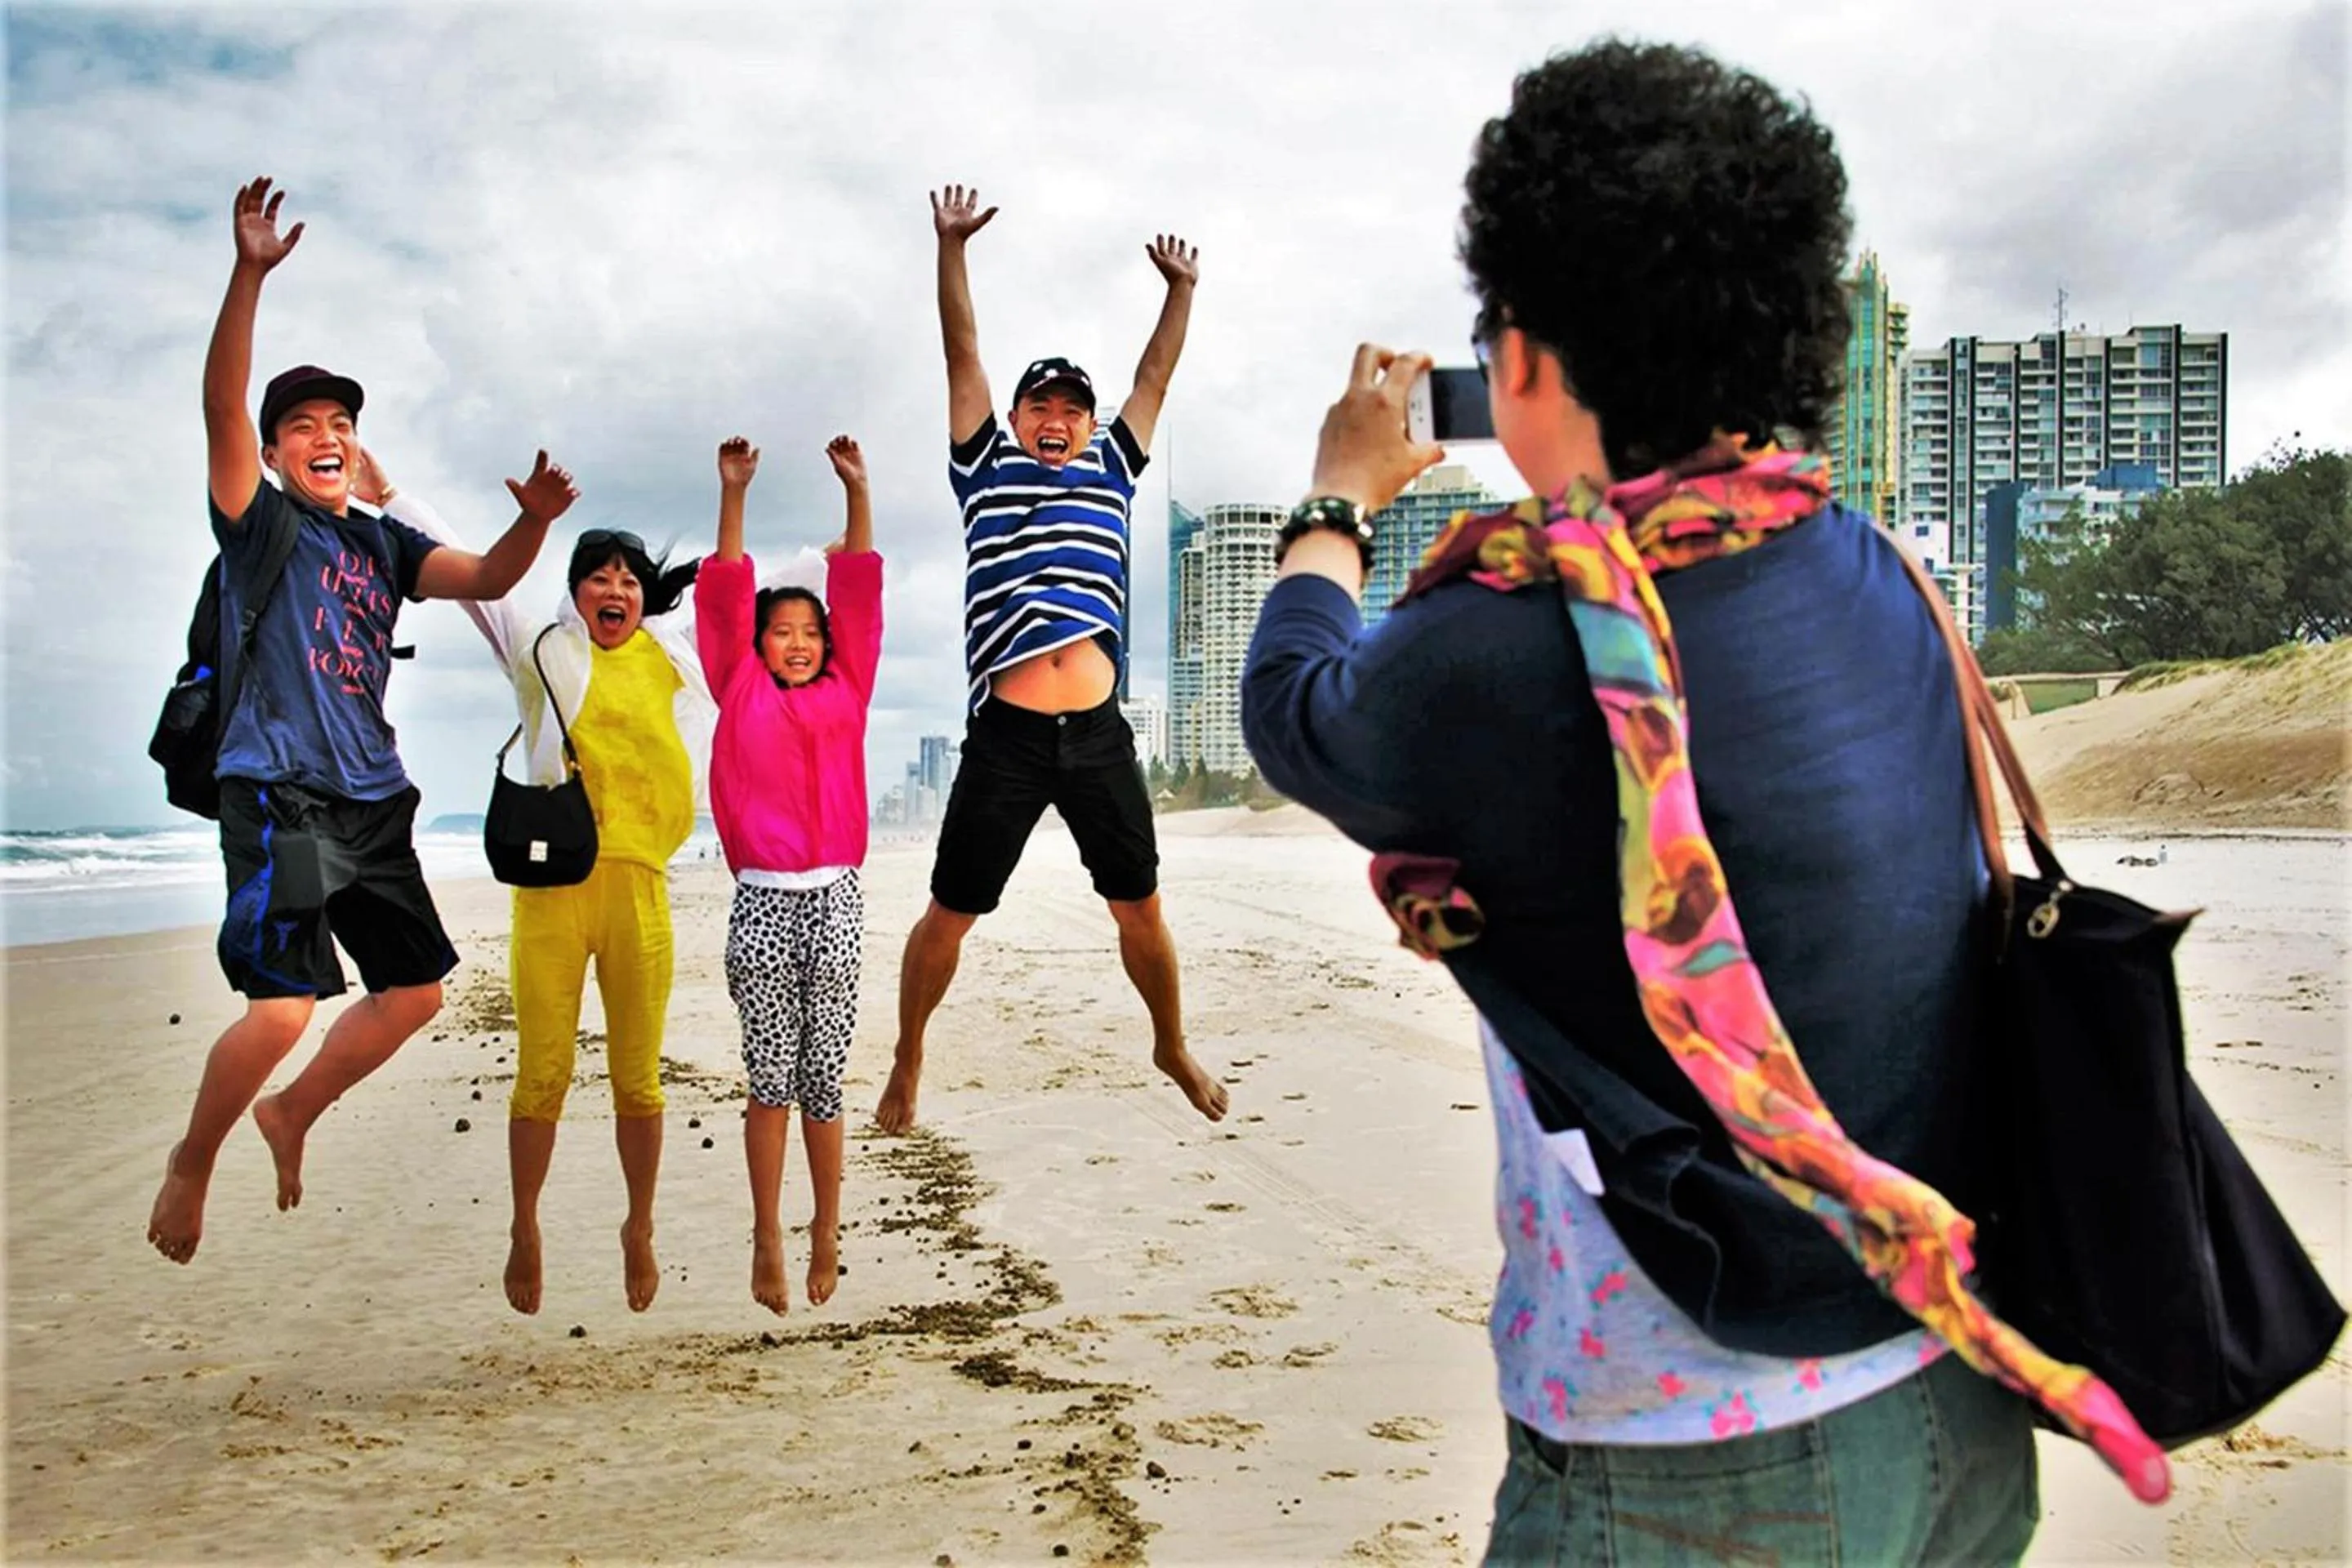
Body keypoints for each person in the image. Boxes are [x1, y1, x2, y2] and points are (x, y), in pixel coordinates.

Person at [1236, 43, 2167, 1562]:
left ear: (1524, 362)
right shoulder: (1874, 566)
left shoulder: (1513, 642)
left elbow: (1296, 713)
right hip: (1961, 1372)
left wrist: (1337, 497)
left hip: (1698, 1441)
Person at [147, 177, 576, 1265]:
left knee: (417, 994)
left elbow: (485, 571)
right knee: (284, 1008)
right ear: (279, 453)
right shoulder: (261, 525)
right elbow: (219, 405)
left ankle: (291, 1115)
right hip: (283, 796)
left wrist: (530, 524)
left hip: (373, 801)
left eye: (341, 424)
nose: (327, 437)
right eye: (304, 427)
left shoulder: (383, 545)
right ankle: (193, 1160)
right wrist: (247, 276)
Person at [874, 183, 1227, 1134]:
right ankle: (909, 1057)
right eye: (1043, 404)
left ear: (1090, 419)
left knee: (1139, 908)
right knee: (952, 912)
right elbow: (963, 352)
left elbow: (1154, 381)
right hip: (1007, 736)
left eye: (1074, 404)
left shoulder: (1114, 467)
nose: (1058, 416)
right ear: (1023, 417)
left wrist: (1179, 293)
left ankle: (1170, 1041)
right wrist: (951, 249)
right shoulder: (982, 464)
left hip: (1099, 733)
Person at [366, 452, 710, 1316]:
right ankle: (526, 1225)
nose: (616, 588)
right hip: (552, 893)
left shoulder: (674, 656)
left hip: (640, 892)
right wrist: (391, 494)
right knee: (542, 1074)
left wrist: (835, 544)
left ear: (644, 595)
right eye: (598, 575)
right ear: (576, 591)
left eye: (629, 576)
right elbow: (476, 580)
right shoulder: (542, 647)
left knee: (639, 1078)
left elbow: (752, 592)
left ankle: (639, 1224)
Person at [696, 434, 884, 1313]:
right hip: (763, 907)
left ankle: (827, 1229)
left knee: (825, 1079)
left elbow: (861, 593)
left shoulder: (851, 686)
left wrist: (857, 490)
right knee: (770, 1078)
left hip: (838, 900)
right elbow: (727, 599)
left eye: (812, 633)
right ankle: (768, 1235)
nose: (800, 643)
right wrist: (734, 493)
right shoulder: (739, 683)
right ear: (761, 644)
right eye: (785, 632)